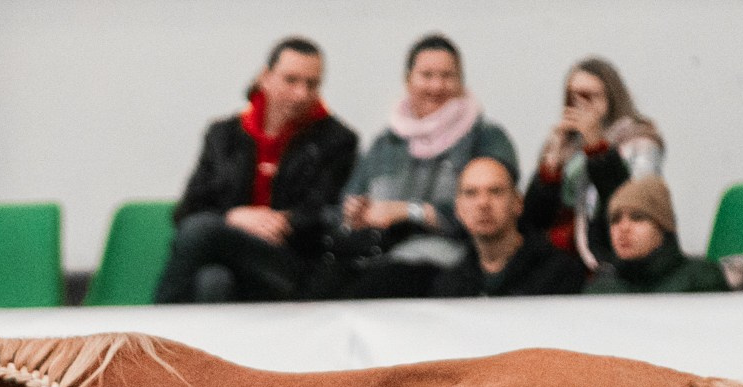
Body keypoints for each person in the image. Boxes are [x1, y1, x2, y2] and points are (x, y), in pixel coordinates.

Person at [154, 36, 358, 303]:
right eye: (291, 80)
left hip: (292, 262)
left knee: (200, 230)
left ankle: (156, 327)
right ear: (265, 77)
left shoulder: (336, 140)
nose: (302, 94)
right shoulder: (224, 135)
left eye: (312, 84)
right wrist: (234, 217)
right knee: (213, 281)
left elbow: (323, 213)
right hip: (231, 255)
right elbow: (189, 207)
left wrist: (273, 222)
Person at [318, 34, 518, 299]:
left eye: (447, 76)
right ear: (408, 80)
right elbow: (346, 204)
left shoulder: (486, 139)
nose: (436, 86)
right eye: (427, 75)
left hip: (451, 262)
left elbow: (502, 211)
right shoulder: (385, 143)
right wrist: (355, 214)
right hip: (375, 259)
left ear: (461, 81)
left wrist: (410, 212)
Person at [522, 58, 665, 271]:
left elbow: (635, 202)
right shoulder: (564, 144)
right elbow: (534, 218)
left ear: (610, 98)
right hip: (561, 255)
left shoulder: (639, 141)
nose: (579, 104)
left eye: (588, 96)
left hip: (611, 252)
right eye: (572, 97)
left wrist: (597, 148)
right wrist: (551, 167)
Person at [431, 156, 586, 297]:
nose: (483, 203)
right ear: (458, 209)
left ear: (517, 202)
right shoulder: (449, 285)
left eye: (495, 191)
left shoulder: (559, 272)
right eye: (471, 193)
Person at [583, 177, 729, 294]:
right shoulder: (601, 289)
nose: (623, 228)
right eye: (615, 219)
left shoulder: (700, 279)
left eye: (638, 217)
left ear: (663, 227)